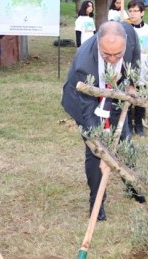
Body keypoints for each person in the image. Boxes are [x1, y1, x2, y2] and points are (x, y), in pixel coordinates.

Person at [61, 21, 143, 222]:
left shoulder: (130, 34)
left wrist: (132, 84)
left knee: (125, 141)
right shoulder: (84, 63)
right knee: (95, 153)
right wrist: (101, 148)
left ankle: (132, 184)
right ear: (98, 43)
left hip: (114, 93)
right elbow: (89, 114)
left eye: (118, 54)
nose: (113, 59)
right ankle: (97, 201)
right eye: (107, 55)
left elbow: (136, 57)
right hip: (83, 99)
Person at [126, 0, 148, 135]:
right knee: (128, 96)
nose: (132, 13)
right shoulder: (125, 27)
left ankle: (139, 124)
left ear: (142, 13)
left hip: (142, 68)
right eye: (130, 11)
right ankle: (128, 125)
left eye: (135, 11)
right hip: (128, 67)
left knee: (141, 97)